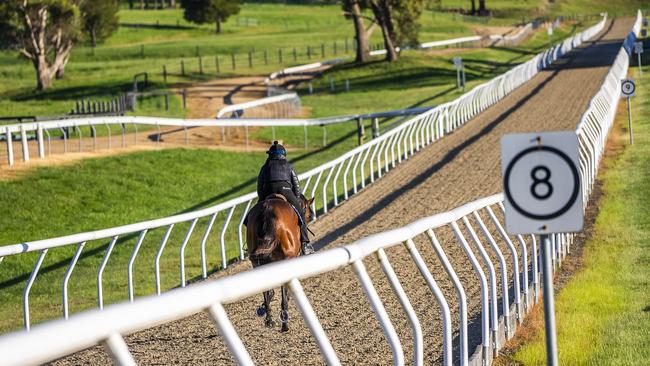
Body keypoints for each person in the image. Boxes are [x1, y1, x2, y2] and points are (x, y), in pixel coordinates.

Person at [256, 141, 314, 255]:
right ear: (284, 154)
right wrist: (297, 199)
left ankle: (254, 241)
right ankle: (306, 243)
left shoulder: (265, 167)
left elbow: (259, 186)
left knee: (254, 215)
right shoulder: (288, 165)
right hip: (286, 190)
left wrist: (262, 198)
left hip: (268, 191)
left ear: (270, 154)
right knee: (301, 214)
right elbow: (296, 185)